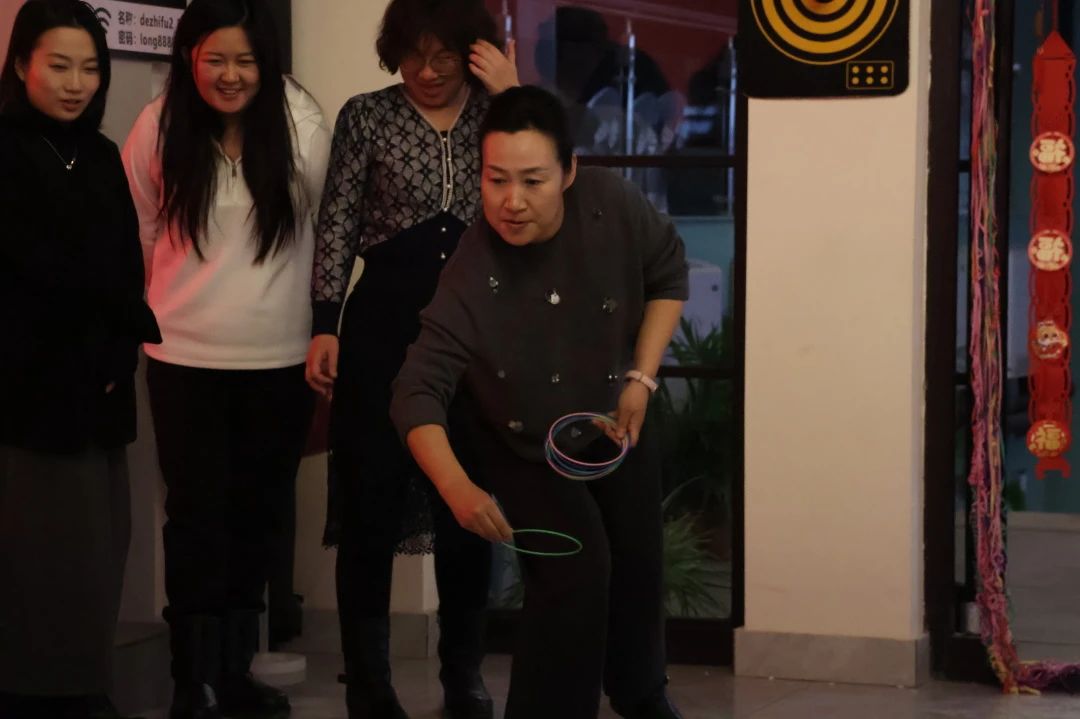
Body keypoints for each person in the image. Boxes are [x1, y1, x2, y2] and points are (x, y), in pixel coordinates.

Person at [390, 85, 688, 719]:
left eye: (532, 181)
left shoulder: (612, 203)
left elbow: (667, 271)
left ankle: (642, 695)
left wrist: (641, 377)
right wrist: (457, 488)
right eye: (496, 180)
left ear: (569, 172)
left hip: (614, 416)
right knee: (576, 571)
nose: (512, 201)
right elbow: (415, 390)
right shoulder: (472, 266)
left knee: (637, 563)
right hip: (520, 439)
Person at [304, 1, 517, 717]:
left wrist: (513, 94)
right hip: (382, 329)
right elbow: (337, 221)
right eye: (411, 55)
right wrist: (325, 322)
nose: (426, 71)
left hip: (476, 333)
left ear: (473, 52)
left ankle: (465, 675)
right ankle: (369, 684)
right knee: (371, 501)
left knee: (468, 502)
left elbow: (556, 183)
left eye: (443, 55)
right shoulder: (366, 116)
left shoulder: (499, 112)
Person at [121, 1, 330, 717]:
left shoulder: (301, 124)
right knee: (194, 520)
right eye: (215, 60)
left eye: (246, 61)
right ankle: (193, 681)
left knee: (258, 517)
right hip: (183, 356)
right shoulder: (158, 125)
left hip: (280, 357)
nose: (231, 75)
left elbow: (326, 233)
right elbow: (142, 231)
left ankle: (235, 674)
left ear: (267, 64)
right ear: (190, 58)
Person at [0, 2, 161, 718]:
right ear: (20, 65)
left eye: (90, 68)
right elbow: (28, 272)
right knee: (37, 557)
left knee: (99, 551)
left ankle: (84, 686)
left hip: (101, 388)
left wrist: (119, 349)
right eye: (59, 66)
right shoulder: (6, 151)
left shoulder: (98, 154)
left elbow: (124, 267)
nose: (76, 84)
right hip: (28, 392)